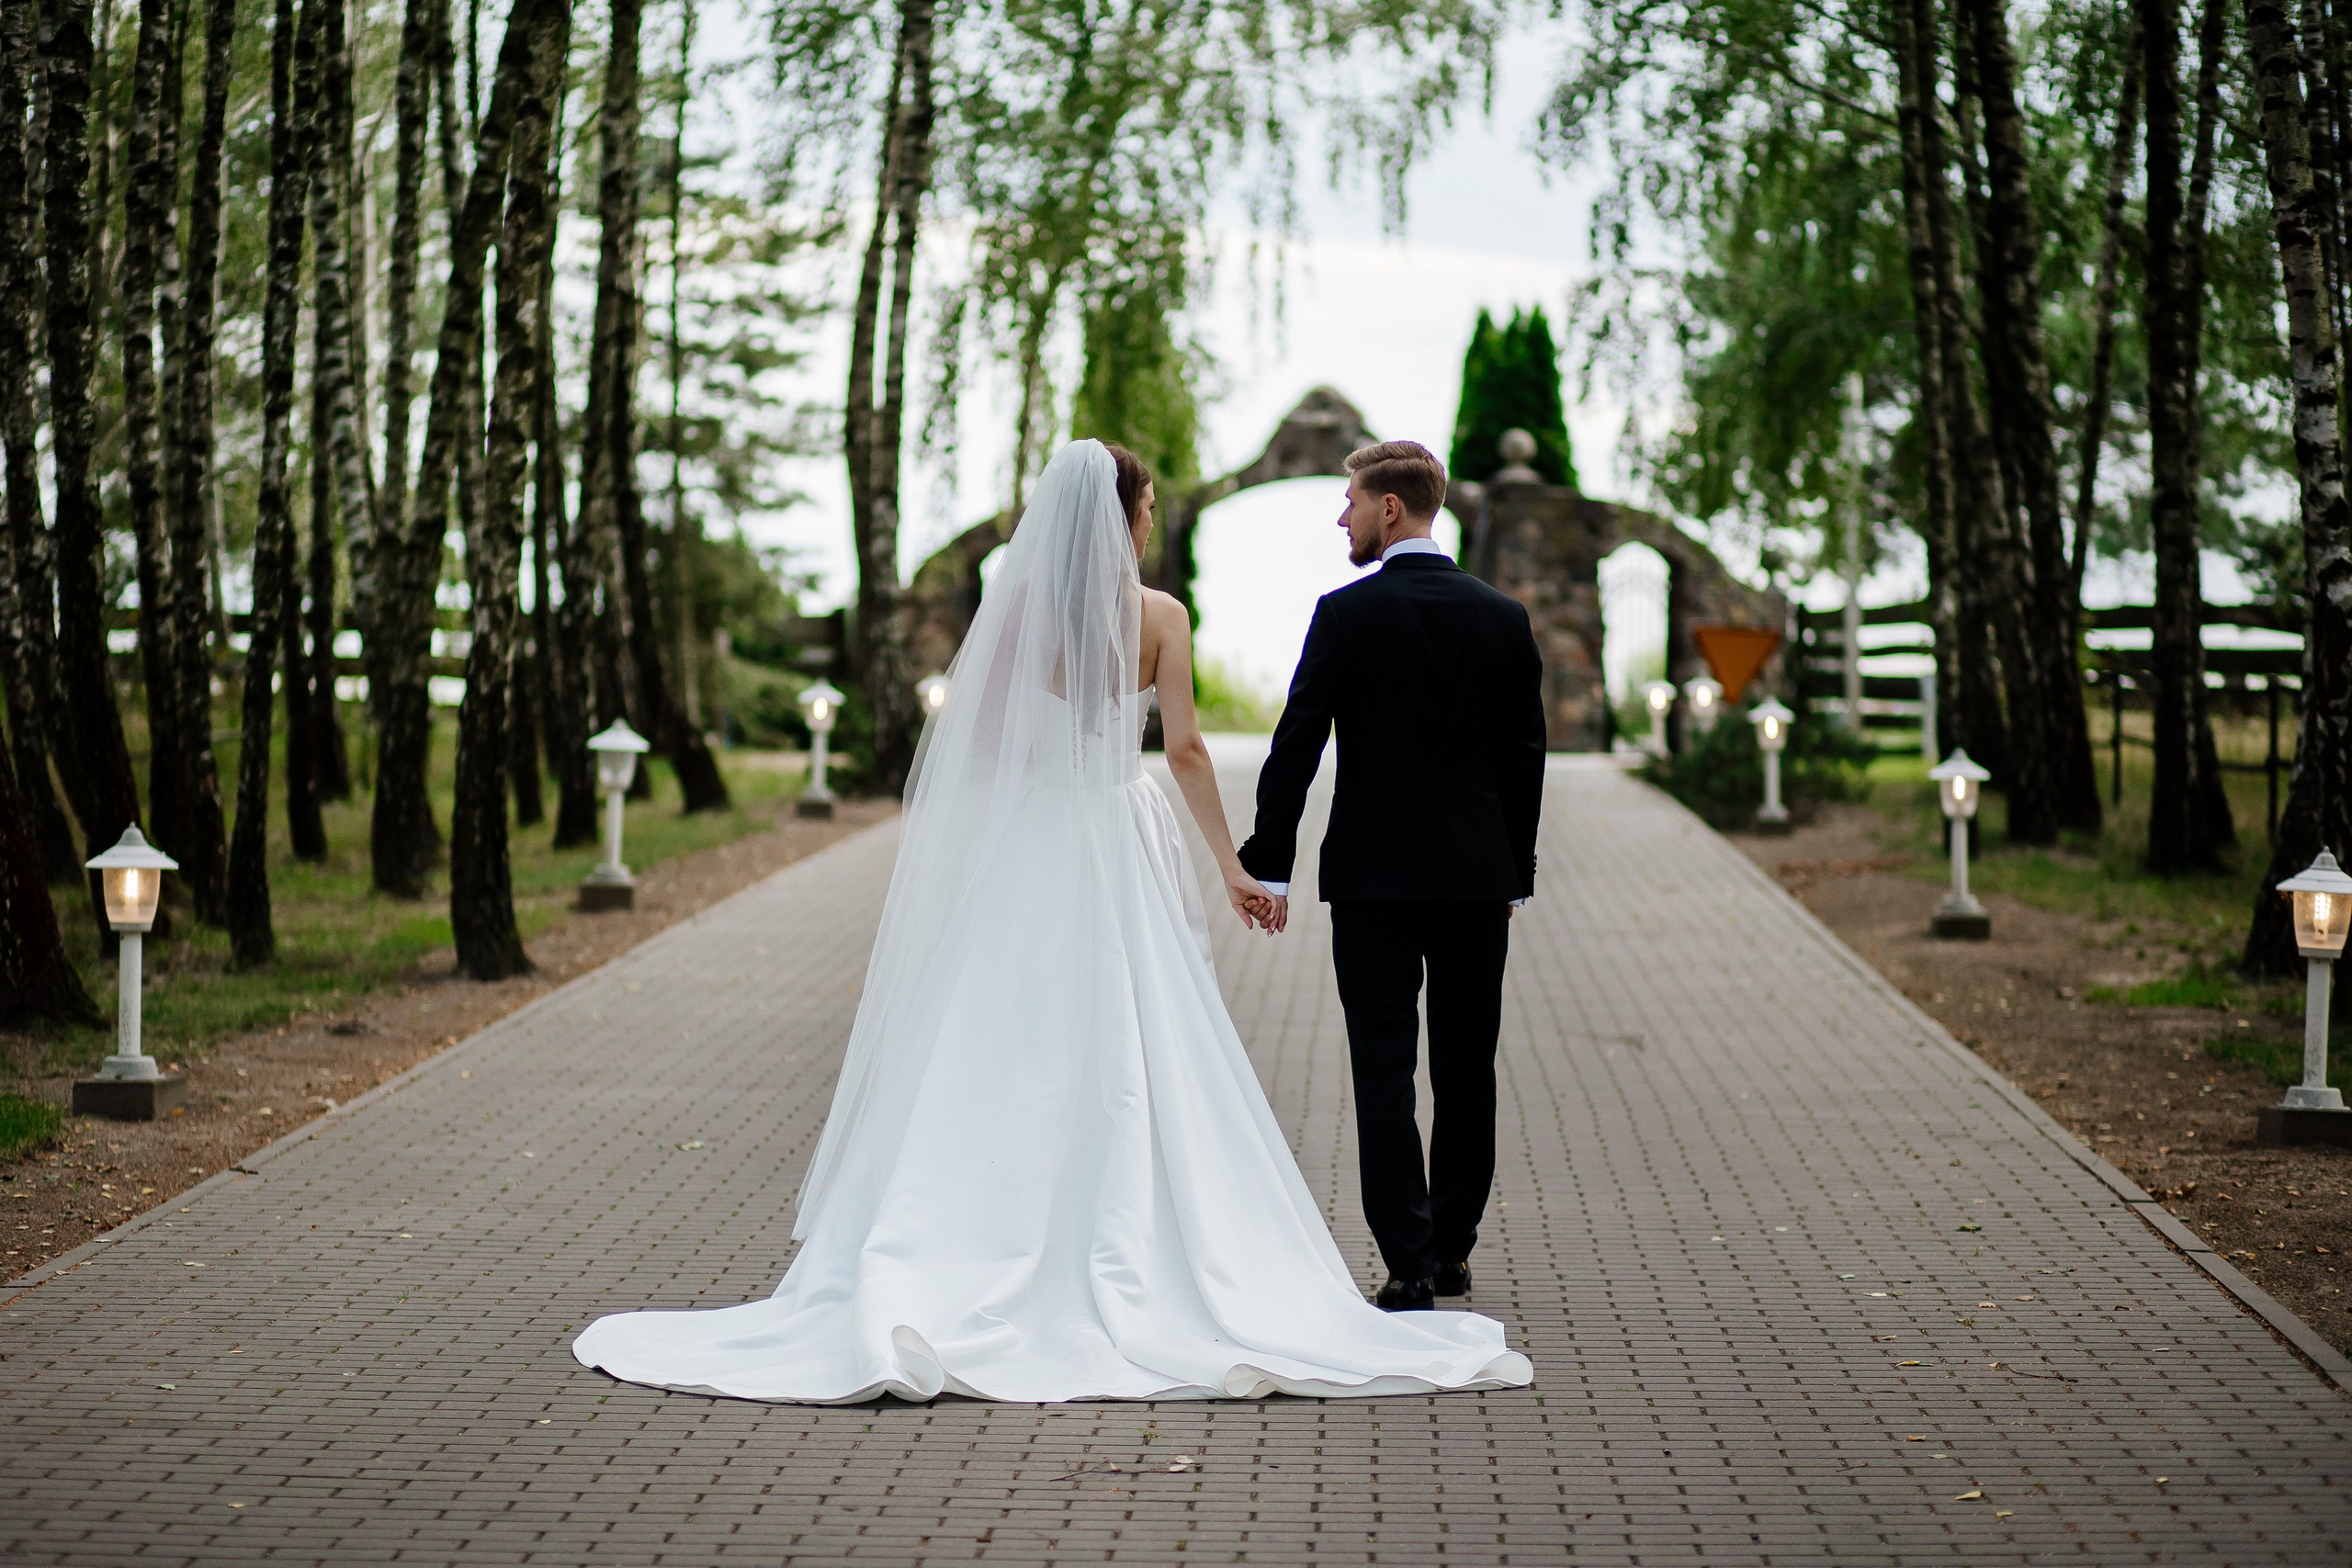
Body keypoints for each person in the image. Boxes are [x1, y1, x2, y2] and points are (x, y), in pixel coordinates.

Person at [571, 438, 1532, 1404]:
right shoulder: (1160, 616)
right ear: (1120, 516)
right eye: (1147, 505)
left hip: (1037, 840)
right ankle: (1390, 1250)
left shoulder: (1020, 614)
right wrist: (1235, 868)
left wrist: (1044, 813)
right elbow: (1190, 751)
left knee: (1000, 1032)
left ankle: (974, 1232)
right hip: (1125, 834)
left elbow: (981, 735)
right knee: (1148, 1032)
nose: (1152, 520)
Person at [1238, 439, 1546, 1314]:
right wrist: (1514, 872)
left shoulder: (1345, 615)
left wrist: (1272, 865)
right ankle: (1452, 1252)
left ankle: (1409, 1266)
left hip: (1372, 883)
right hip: (1477, 882)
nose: (1341, 517)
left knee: (1383, 1068)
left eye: (1350, 501)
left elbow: (1293, 748)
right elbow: (1526, 757)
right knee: (1466, 1067)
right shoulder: (1503, 618)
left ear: (1389, 509)